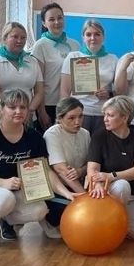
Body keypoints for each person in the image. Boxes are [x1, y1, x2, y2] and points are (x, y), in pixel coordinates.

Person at [0, 88, 78, 249]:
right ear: (2, 108)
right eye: (12, 107)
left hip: (11, 192)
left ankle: (4, 219)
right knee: (4, 197)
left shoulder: (33, 136)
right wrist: (3, 183)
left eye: (23, 107)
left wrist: (67, 193)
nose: (18, 111)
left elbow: (45, 171)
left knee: (40, 210)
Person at [85, 95, 134, 241]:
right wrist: (97, 184)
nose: (105, 119)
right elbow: (92, 168)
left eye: (110, 115)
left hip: (133, 195)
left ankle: (118, 224)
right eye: (105, 115)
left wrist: (111, 176)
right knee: (122, 186)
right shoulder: (99, 136)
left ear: (124, 117)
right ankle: (111, 224)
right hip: (107, 191)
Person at [60, 19, 118, 135]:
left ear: (103, 37)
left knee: (99, 146)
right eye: (88, 34)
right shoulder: (73, 57)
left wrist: (109, 94)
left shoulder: (113, 59)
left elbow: (118, 91)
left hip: (103, 114)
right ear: (83, 37)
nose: (93, 38)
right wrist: (66, 114)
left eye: (97, 34)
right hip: (78, 114)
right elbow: (64, 91)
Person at [42, 97, 91, 230]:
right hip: (58, 188)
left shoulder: (85, 134)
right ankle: (49, 222)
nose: (77, 122)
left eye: (80, 116)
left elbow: (90, 163)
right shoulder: (52, 134)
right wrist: (86, 198)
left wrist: (80, 171)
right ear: (60, 118)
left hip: (78, 184)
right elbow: (62, 170)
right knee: (77, 210)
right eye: (71, 118)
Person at [0, 22, 44, 123]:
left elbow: (39, 92)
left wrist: (29, 110)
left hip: (27, 118)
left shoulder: (32, 61)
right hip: (1, 117)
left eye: (23, 38)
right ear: (5, 38)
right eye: (15, 37)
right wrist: (14, 108)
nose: (19, 41)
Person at [30, 2, 80, 127]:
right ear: (44, 23)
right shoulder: (40, 46)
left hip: (70, 103)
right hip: (49, 104)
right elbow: (38, 82)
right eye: (51, 19)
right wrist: (41, 112)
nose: (57, 22)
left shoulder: (75, 45)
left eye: (60, 18)